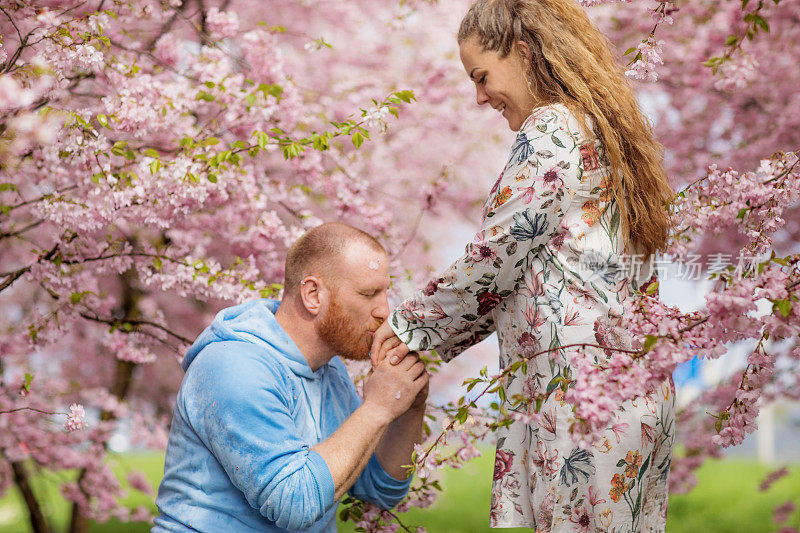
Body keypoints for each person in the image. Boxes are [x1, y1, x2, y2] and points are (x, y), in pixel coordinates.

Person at [371, 0, 676, 531]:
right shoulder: (601, 132)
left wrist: (402, 332)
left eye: (482, 76)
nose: (479, 96)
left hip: (577, 391)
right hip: (629, 389)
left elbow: (493, 259)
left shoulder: (552, 129)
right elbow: (521, 274)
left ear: (523, 52)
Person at [153, 223, 429, 533]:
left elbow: (379, 488)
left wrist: (409, 406)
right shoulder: (234, 366)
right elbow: (294, 504)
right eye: (368, 294)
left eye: (384, 292)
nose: (384, 311)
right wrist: (377, 408)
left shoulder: (329, 371)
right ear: (313, 295)